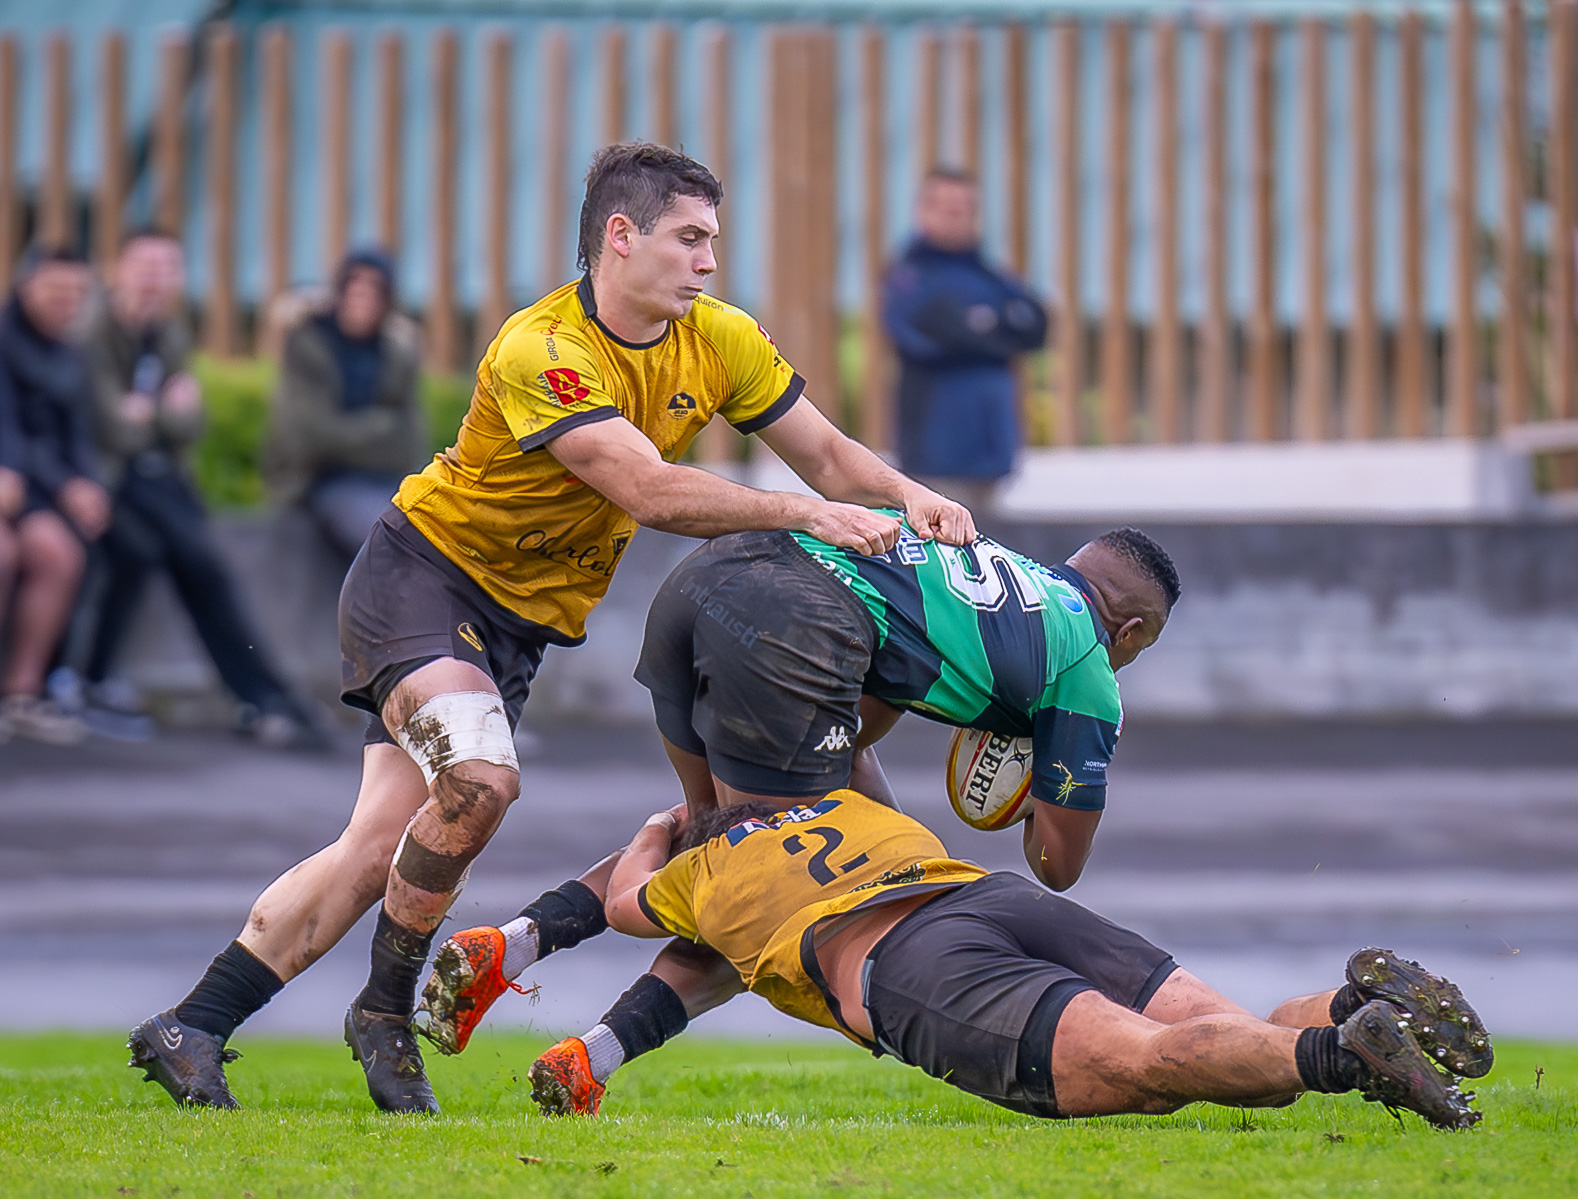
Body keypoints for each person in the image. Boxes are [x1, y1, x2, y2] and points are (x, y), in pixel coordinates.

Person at [126, 142, 973, 1115]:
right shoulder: (545, 347)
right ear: (621, 236)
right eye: (688, 238)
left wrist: (908, 494)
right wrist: (806, 515)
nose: (707, 260)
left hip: (517, 625)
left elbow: (823, 452)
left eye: (714, 241)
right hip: (424, 577)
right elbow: (645, 487)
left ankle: (195, 1020)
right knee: (481, 780)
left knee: (375, 850)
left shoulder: (722, 338)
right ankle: (383, 1009)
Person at [416, 519, 1180, 1059]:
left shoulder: (986, 572)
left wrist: (885, 819)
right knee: (781, 882)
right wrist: (1038, 763)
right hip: (792, 620)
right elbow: (1056, 863)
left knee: (717, 831)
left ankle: (508, 945)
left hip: (702, 582)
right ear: (1135, 628)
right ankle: (599, 1049)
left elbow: (853, 735)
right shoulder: (1084, 667)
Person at [524, 793, 1488, 1130]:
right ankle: (1349, 1005)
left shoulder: (706, 870)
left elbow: (618, 902)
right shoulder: (852, 807)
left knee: (1154, 1073)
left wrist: (659, 831)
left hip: (913, 962)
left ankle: (1347, 1054)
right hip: (994, 893)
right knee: (1214, 1033)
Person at [74, 227, 316, 747]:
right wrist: (161, 412)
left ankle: (266, 698)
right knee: (155, 553)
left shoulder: (169, 334)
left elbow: (190, 423)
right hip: (106, 478)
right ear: (119, 271)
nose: (155, 281)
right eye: (145, 267)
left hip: (155, 476)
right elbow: (110, 427)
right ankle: (261, 697)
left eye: (166, 269)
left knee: (200, 562)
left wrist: (150, 415)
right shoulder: (92, 332)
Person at [882, 168, 1047, 519]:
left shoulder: (991, 276)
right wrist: (995, 332)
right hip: (934, 457)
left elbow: (1036, 326)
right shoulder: (910, 279)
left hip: (992, 456)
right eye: (947, 208)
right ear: (923, 212)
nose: (958, 217)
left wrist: (976, 328)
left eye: (965, 209)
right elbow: (931, 336)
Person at [0, 246, 107, 745]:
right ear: (26, 287)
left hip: (29, 489)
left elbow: (77, 435)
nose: (67, 302)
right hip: (13, 481)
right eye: (56, 290)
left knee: (58, 555)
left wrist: (85, 485)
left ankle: (22, 695)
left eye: (76, 293)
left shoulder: (70, 352)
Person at [264, 247, 422, 562]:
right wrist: (378, 426)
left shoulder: (395, 355)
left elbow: (409, 442)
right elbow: (311, 436)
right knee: (385, 538)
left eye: (373, 290)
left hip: (388, 483)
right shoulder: (308, 345)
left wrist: (356, 433)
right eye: (354, 287)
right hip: (320, 481)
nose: (361, 298)